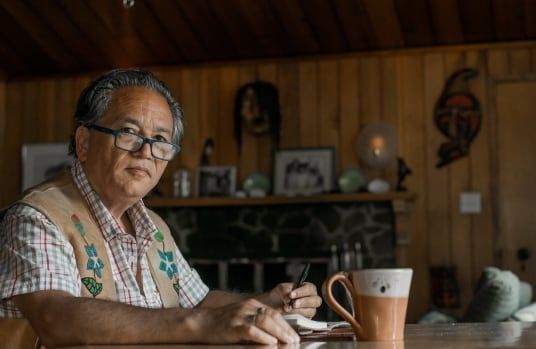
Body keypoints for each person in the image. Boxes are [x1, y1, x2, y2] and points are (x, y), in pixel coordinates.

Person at [0, 69, 321, 348]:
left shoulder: (153, 227)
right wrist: (205, 325)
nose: (146, 152)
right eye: (129, 133)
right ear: (84, 142)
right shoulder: (38, 217)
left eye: (160, 140)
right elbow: (56, 318)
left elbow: (198, 301)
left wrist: (266, 305)